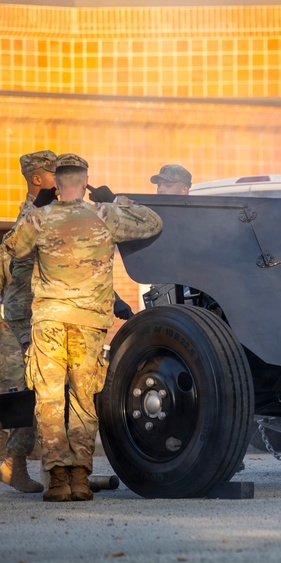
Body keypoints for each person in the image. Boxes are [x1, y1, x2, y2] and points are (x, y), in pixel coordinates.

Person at [2, 154, 163, 502]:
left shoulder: (41, 219)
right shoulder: (106, 216)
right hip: (90, 326)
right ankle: (79, 478)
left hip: (50, 324)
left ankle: (58, 480)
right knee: (83, 402)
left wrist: (34, 211)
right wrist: (115, 200)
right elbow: (153, 223)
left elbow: (12, 247)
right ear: (86, 180)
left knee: (49, 401)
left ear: (57, 184)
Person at [0, 149, 58, 494]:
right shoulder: (32, 215)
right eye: (53, 174)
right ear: (37, 179)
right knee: (32, 390)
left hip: (44, 311)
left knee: (42, 389)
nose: (59, 180)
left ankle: (53, 470)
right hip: (26, 315)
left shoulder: (46, 213)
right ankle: (14, 463)